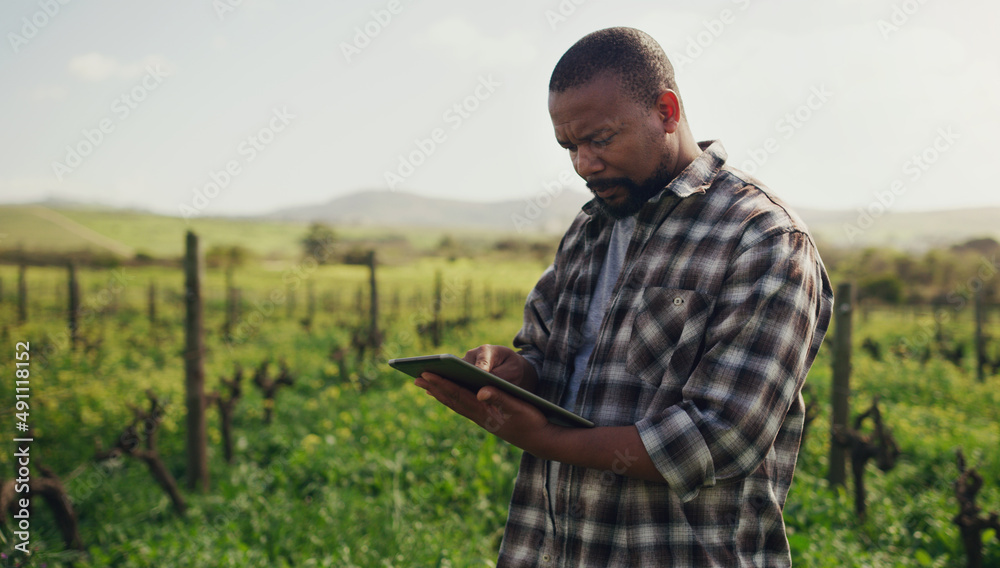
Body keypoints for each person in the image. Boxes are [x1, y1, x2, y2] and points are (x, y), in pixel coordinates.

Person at [414, 26, 834, 567]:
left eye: (601, 139)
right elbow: (549, 356)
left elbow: (720, 436)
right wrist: (517, 373)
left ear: (665, 110)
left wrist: (543, 439)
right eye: (570, 146)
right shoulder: (590, 230)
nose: (584, 164)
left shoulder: (764, 240)